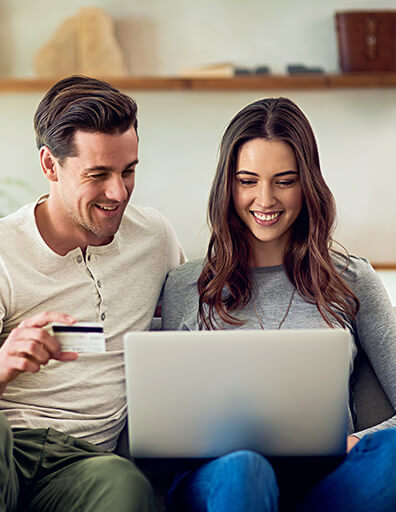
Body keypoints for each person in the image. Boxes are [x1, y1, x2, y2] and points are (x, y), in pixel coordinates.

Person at [0, 75, 184, 511]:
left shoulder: (154, 238)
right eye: (97, 175)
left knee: (122, 480)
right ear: (49, 165)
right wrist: (0, 368)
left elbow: (189, 325)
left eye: (128, 171)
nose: (118, 193)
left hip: (81, 465)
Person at [162, 97, 396, 512]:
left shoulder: (352, 279)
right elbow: (165, 422)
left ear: (308, 184)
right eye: (247, 181)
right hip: (225, 480)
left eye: (285, 181)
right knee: (246, 471)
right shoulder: (186, 285)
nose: (265, 199)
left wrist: (358, 441)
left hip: (325, 482)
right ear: (227, 185)